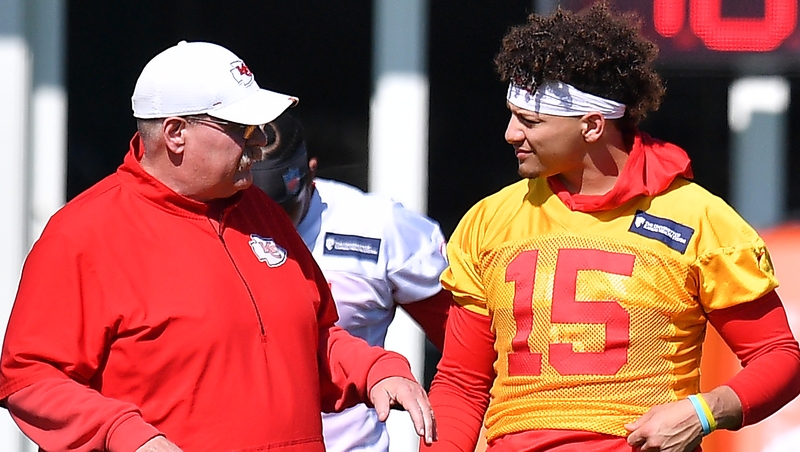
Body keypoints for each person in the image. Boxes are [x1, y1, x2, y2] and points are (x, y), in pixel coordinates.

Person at [0, 40, 436, 452]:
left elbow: (311, 340)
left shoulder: (261, 211)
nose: (260, 141)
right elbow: (30, 376)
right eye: (241, 128)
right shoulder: (85, 233)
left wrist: (373, 369)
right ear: (175, 134)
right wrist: (123, 434)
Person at [423, 3, 800, 452]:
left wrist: (703, 412)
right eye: (512, 114)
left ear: (592, 125)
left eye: (530, 121)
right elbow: (461, 383)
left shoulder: (699, 218)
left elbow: (779, 357)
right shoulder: (489, 220)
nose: (510, 133)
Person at [250, 114, 452, 452]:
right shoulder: (208, 225)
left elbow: (464, 355)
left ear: (311, 173)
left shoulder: (377, 225)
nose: (269, 223)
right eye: (253, 209)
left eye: (283, 210)